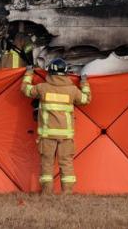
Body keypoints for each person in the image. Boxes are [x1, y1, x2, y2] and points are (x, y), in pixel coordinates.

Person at [20, 58, 91, 194]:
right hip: (66, 136)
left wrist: (29, 73)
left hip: (47, 136)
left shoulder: (42, 88)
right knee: (67, 164)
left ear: (50, 72)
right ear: (65, 73)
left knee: (47, 165)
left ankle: (47, 193)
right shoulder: (72, 90)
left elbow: (25, 90)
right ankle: (67, 193)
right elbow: (86, 99)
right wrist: (84, 82)